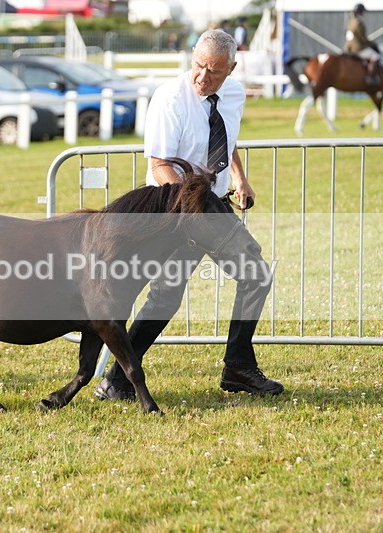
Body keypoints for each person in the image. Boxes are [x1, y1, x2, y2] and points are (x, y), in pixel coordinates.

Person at [93, 29, 284, 401]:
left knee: (253, 274)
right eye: (198, 66)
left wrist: (240, 180)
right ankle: (118, 380)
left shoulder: (233, 94)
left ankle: (236, 368)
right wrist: (189, 210)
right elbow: (159, 163)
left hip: (210, 206)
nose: (203, 77)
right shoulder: (170, 99)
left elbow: (225, 139)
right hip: (175, 210)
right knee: (167, 296)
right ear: (192, 56)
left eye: (214, 71)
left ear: (232, 68)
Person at [344, 3, 382, 87]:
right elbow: (362, 38)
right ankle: (370, 77)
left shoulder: (351, 21)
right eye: (363, 12)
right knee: (376, 56)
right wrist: (373, 44)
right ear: (360, 12)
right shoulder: (359, 22)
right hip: (357, 47)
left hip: (348, 47)